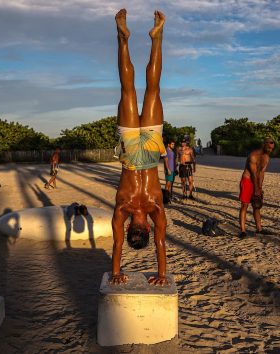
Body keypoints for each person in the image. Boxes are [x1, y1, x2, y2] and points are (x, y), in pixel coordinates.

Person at [111, 9, 168, 286]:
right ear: (140, 228)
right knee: (130, 91)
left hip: (142, 156)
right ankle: (126, 38)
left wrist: (161, 273)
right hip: (133, 155)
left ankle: (154, 37)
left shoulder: (151, 208)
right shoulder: (125, 209)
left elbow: (159, 244)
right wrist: (116, 271)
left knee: (149, 91)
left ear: (144, 227)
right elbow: (118, 245)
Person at [238, 137, 275, 238]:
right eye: (269, 148)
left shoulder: (266, 157)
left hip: (256, 182)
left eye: (272, 149)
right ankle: (243, 231)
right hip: (247, 181)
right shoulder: (253, 156)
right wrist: (256, 189)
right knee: (244, 205)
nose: (270, 150)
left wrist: (260, 187)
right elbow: (254, 174)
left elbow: (261, 173)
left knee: (256, 205)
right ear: (264, 145)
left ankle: (259, 229)